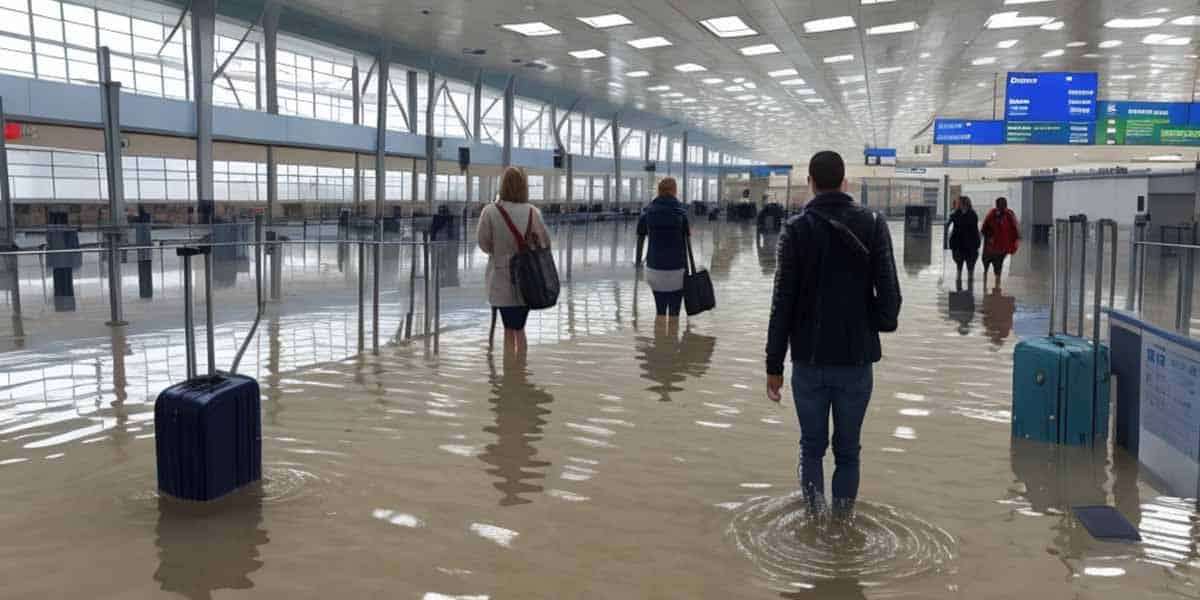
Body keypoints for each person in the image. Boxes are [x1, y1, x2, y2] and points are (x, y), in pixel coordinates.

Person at [765, 151, 902, 520]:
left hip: (808, 361)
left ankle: (814, 522)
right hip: (856, 361)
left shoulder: (794, 230)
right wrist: (861, 319)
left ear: (810, 182)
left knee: (811, 448)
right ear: (845, 183)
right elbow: (890, 308)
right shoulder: (873, 224)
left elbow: (782, 303)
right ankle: (842, 526)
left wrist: (773, 365)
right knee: (848, 451)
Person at [477, 167, 552, 355]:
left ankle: (510, 374)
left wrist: (500, 251)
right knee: (520, 329)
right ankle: (520, 372)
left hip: (501, 280)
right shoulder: (533, 212)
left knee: (508, 329)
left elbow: (483, 244)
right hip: (528, 281)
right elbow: (545, 243)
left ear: (502, 185)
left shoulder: (490, 211)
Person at [636, 178, 690, 324]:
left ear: (658, 191)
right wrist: (688, 269)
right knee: (674, 313)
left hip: (655, 268)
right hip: (677, 269)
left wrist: (638, 262)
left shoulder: (647, 212)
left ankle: (659, 343)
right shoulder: (681, 213)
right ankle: (671, 343)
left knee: (659, 311)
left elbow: (640, 239)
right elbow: (687, 243)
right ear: (674, 191)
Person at [980, 197, 1020, 291]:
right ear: (997, 206)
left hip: (1001, 247)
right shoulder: (992, 214)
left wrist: (1014, 244)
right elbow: (984, 229)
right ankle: (987, 288)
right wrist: (990, 237)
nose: (1002, 208)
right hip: (991, 247)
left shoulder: (1009, 214)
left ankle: (996, 288)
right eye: (1000, 206)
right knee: (987, 266)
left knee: (998, 266)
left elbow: (1015, 230)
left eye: (1004, 206)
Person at [944, 195, 981, 288]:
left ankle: (968, 288)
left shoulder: (971, 214)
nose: (958, 204)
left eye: (959, 202)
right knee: (959, 267)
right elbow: (947, 225)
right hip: (959, 244)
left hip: (969, 245)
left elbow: (974, 230)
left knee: (970, 268)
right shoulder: (956, 214)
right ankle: (961, 288)